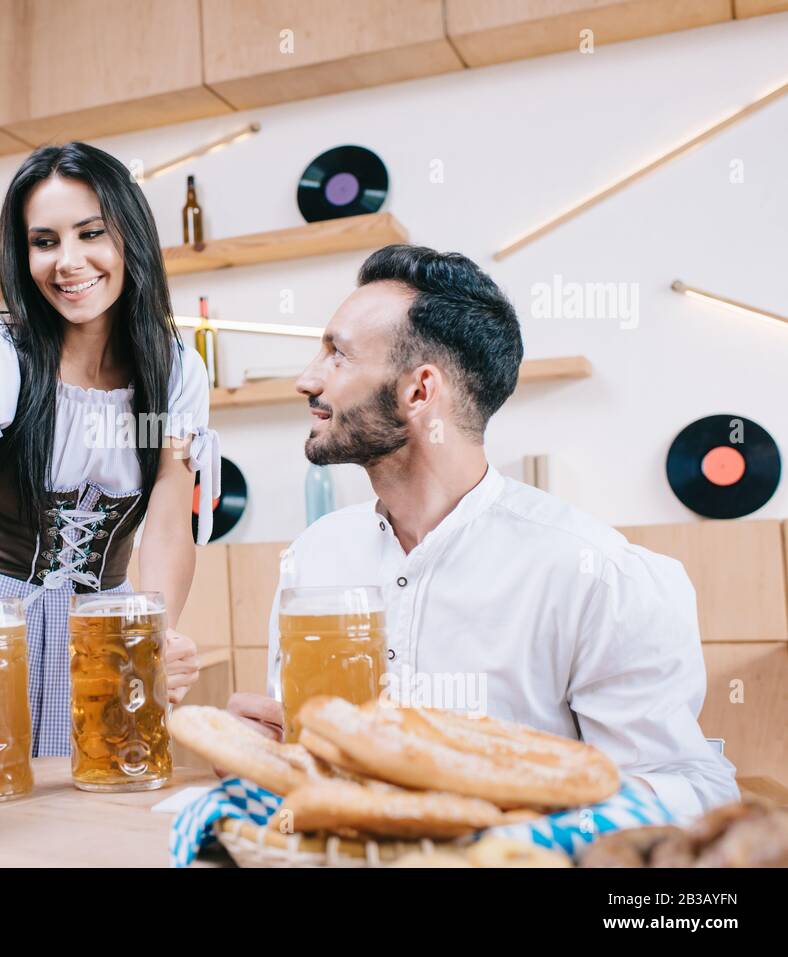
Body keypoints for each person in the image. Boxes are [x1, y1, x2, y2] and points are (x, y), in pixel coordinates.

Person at [229, 244, 739, 818]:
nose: (306, 380)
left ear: (419, 392)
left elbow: (693, 791)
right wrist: (266, 752)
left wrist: (505, 812)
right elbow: (309, 760)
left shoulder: (596, 574)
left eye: (337, 355)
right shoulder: (315, 557)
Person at [0, 142, 219, 757]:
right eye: (45, 241)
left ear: (129, 236)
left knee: (109, 798)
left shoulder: (174, 368)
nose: (68, 262)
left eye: (90, 234)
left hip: (110, 629)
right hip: (1, 625)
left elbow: (165, 527)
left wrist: (155, 633)